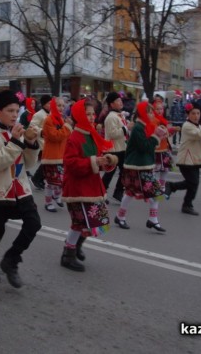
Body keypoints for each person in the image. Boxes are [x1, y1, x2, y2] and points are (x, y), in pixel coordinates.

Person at [0, 89, 42, 288]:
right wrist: (15, 141)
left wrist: (31, 142)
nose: (15, 115)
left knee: (34, 223)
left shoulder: (17, 130)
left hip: (20, 187)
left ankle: (11, 260)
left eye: (17, 110)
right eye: (10, 110)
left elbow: (29, 163)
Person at [60, 98, 116, 271]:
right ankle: (67, 255)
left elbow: (100, 157)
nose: (92, 117)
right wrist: (94, 161)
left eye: (93, 114)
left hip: (92, 186)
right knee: (79, 222)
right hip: (77, 188)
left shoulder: (91, 134)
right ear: (78, 115)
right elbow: (70, 163)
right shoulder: (74, 138)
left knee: (95, 220)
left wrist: (107, 160)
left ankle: (76, 246)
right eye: (88, 114)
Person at [114, 102, 169, 232]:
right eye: (149, 112)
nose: (152, 114)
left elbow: (149, 146)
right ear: (142, 113)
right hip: (137, 166)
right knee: (150, 193)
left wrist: (159, 135)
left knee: (134, 193)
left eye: (152, 111)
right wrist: (157, 136)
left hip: (143, 165)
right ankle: (149, 219)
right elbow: (144, 146)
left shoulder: (144, 126)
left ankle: (123, 216)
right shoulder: (139, 127)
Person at [164, 103, 201, 215]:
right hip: (186, 159)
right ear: (188, 114)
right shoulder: (187, 126)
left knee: (193, 184)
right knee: (193, 182)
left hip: (195, 159)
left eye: (198, 113)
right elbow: (199, 135)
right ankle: (173, 188)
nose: (196, 116)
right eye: (193, 113)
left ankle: (186, 204)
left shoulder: (199, 126)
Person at [41, 97, 72, 212]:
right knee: (51, 182)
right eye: (59, 105)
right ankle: (48, 202)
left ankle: (56, 196)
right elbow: (55, 136)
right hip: (51, 157)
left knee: (62, 181)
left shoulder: (62, 119)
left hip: (61, 156)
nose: (61, 108)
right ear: (53, 106)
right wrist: (68, 127)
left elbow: (65, 137)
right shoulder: (48, 120)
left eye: (63, 106)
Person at [102, 91, 131, 203]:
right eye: (117, 101)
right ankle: (101, 193)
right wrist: (126, 128)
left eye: (120, 100)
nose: (120, 102)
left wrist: (127, 128)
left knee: (124, 171)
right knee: (110, 173)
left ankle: (118, 192)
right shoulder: (110, 117)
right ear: (111, 104)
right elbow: (113, 134)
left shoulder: (119, 115)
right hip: (112, 150)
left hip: (121, 148)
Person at [29, 94, 52, 190]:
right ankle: (37, 178)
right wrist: (41, 131)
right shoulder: (38, 114)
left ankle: (40, 178)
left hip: (50, 141)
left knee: (49, 162)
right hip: (42, 141)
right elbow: (32, 126)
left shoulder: (51, 113)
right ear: (43, 104)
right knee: (47, 162)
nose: (50, 105)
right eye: (48, 103)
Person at [152, 100, 176, 188]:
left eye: (161, 109)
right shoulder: (153, 120)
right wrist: (168, 131)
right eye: (157, 109)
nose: (159, 111)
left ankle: (162, 184)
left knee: (165, 169)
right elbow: (158, 133)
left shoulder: (164, 120)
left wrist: (171, 132)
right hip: (156, 149)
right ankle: (155, 186)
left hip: (164, 148)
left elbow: (166, 134)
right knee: (155, 169)